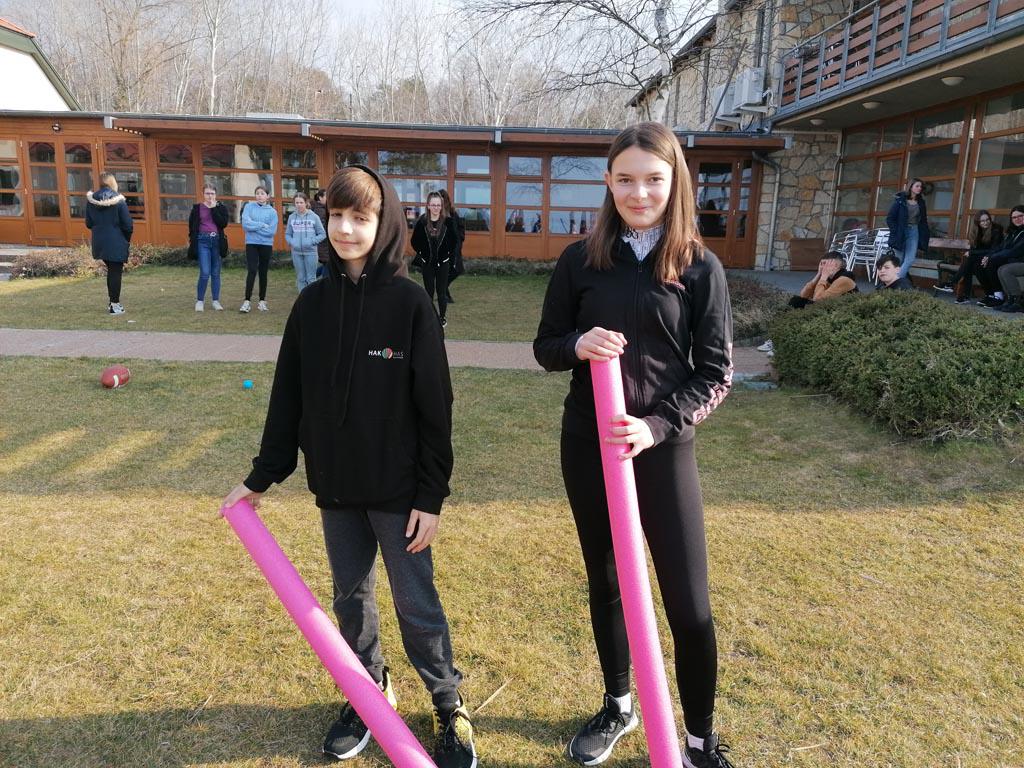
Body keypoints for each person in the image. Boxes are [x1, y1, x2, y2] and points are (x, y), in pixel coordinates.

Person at [221, 165, 476, 768]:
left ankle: (448, 702)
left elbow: (436, 408)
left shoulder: (411, 305)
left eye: (359, 217)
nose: (344, 228)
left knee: (416, 604)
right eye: (335, 215)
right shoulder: (311, 305)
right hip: (336, 488)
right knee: (350, 599)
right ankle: (368, 691)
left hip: (399, 492)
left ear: (383, 223)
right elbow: (287, 397)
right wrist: (261, 477)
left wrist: (431, 496)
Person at [534, 122, 737, 768]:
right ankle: (619, 704)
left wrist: (656, 425)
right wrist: (578, 344)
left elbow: (716, 373)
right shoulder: (579, 260)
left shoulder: (700, 267)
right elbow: (545, 346)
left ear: (675, 182)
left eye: (653, 179)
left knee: (689, 605)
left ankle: (699, 741)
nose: (639, 193)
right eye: (625, 179)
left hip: (662, 451)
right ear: (608, 182)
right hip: (588, 446)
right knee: (609, 584)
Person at [85, 171, 134, 315]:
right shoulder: (119, 201)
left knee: (112, 271)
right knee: (115, 272)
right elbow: (128, 225)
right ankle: (115, 305)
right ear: (113, 183)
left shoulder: (91, 201)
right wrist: (126, 239)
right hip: (116, 241)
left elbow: (88, 223)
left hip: (100, 242)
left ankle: (112, 302)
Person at [411, 191, 458, 328]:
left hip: (443, 263)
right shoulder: (422, 222)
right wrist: (422, 254)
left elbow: (454, 241)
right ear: (428, 206)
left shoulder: (448, 222)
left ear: (441, 206)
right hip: (428, 263)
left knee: (441, 293)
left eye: (438, 205)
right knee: (428, 292)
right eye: (433, 205)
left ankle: (442, 318)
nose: (436, 208)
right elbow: (414, 241)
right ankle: (429, 317)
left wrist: (448, 254)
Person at [942, 210, 1004, 302]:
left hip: (993, 257)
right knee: (971, 264)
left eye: (987, 220)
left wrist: (972, 253)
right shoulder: (976, 231)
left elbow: (994, 249)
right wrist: (972, 253)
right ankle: (964, 293)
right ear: (977, 222)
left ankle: (954, 285)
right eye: (982, 221)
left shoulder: (996, 230)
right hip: (980, 258)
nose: (986, 222)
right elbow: (973, 248)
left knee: (971, 260)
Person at [188, 183, 229, 311]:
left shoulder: (220, 207)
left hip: (216, 241)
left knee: (215, 273)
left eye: (212, 193)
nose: (210, 196)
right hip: (202, 241)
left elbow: (223, 223)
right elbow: (192, 226)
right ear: (203, 194)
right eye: (207, 193)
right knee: (205, 273)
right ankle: (200, 301)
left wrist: (213, 208)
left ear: (216, 195)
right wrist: (192, 241)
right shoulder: (197, 208)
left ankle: (215, 301)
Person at [976, 205, 1024, 309]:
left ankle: (1016, 301)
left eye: (1020, 216)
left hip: (1020, 261)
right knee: (990, 265)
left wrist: (993, 257)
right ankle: (1007, 299)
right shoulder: (1013, 232)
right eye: (1014, 217)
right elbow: (1001, 247)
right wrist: (989, 256)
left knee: (1005, 269)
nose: (1017, 219)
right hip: (1015, 260)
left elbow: (1015, 251)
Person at [240, 185, 278, 312]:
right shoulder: (249, 207)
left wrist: (254, 228)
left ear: (268, 196)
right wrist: (262, 225)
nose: (259, 196)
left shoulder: (273, 212)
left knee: (263, 271)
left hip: (266, 245)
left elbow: (271, 231)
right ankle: (247, 301)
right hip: (251, 243)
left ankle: (262, 301)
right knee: (252, 270)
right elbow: (245, 225)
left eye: (262, 193)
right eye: (257, 193)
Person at [886, 178, 930, 281]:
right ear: (911, 187)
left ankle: (894, 282)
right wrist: (895, 230)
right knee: (899, 260)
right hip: (901, 231)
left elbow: (923, 220)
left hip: (914, 231)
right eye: (917, 186)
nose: (919, 188)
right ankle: (895, 283)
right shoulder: (900, 201)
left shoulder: (921, 203)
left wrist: (926, 232)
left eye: (921, 187)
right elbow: (890, 218)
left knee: (910, 259)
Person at [285, 192, 327, 293]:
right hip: (296, 253)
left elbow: (322, 234)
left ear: (306, 203)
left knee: (311, 278)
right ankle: (302, 300)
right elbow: (288, 234)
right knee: (301, 278)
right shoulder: (292, 217)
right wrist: (292, 242)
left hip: (311, 252)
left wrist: (311, 242)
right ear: (294, 203)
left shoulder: (314, 217)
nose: (299, 205)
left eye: (301, 202)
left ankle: (312, 299)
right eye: (297, 203)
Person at [437, 189, 465, 305]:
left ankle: (442, 289)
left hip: (455, 246)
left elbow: (460, 227)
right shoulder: (437, 214)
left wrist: (461, 238)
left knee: (457, 270)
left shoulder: (453, 213)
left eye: (444, 198)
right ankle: (444, 294)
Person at [312, 188, 330, 279]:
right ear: (320, 197)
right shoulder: (320, 211)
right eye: (327, 196)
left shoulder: (323, 209)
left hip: (324, 244)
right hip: (324, 243)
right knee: (328, 264)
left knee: (327, 264)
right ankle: (324, 283)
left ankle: (310, 277)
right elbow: (321, 229)